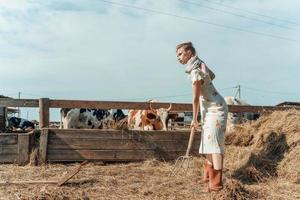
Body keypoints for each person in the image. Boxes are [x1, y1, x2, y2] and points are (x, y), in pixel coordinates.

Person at [176, 42, 228, 192]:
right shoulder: (199, 65)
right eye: (177, 55)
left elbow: (195, 98)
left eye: (180, 53)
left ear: (190, 53)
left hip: (216, 109)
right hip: (210, 108)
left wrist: (194, 119)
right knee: (208, 144)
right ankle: (209, 178)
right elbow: (213, 76)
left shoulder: (195, 71)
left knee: (215, 145)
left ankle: (216, 184)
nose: (178, 58)